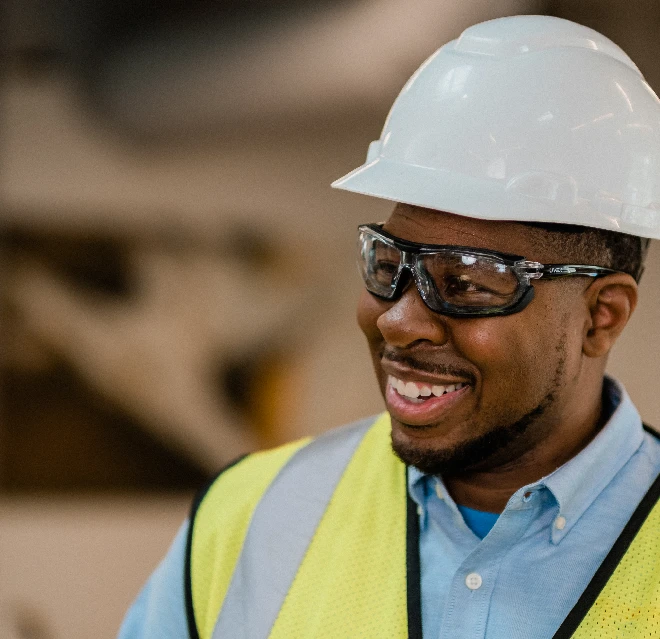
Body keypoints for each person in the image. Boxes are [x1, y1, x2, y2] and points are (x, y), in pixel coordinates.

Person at [118, 14, 660, 639]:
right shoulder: (252, 517)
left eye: (468, 282)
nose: (399, 320)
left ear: (603, 316)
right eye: (387, 263)